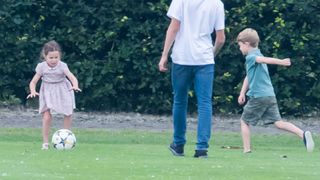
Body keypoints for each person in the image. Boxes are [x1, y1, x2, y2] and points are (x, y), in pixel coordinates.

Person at [158, 0, 225, 158]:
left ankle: (178, 144)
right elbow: (221, 38)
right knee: (204, 103)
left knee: (180, 101)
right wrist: (211, 54)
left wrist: (164, 55)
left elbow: (174, 27)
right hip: (204, 60)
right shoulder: (216, 3)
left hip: (182, 57)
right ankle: (202, 148)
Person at [236, 28, 314, 153]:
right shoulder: (258, 55)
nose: (240, 49)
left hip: (258, 96)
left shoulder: (251, 57)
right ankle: (303, 134)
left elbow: (265, 60)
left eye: (240, 45)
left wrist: (281, 62)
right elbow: (249, 75)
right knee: (278, 123)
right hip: (269, 95)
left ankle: (246, 150)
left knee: (244, 121)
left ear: (246, 44)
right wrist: (242, 92)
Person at [27, 40, 81, 150]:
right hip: (47, 91)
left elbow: (71, 77)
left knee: (68, 113)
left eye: (56, 57)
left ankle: (67, 139)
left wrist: (75, 85)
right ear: (45, 56)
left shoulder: (62, 66)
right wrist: (33, 91)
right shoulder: (41, 67)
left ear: (59, 56)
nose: (54, 60)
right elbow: (33, 82)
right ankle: (45, 143)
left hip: (63, 89)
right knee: (46, 117)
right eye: (51, 58)